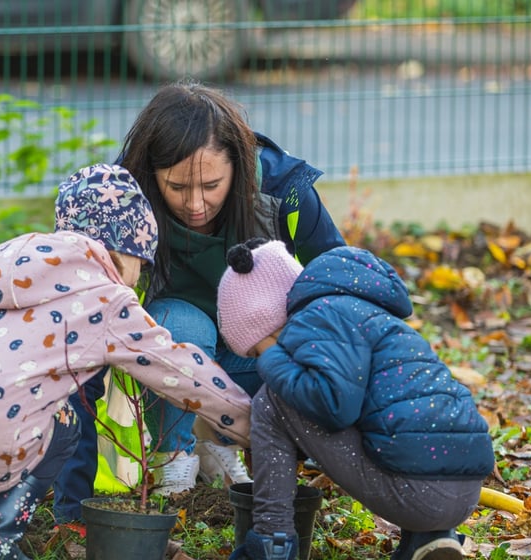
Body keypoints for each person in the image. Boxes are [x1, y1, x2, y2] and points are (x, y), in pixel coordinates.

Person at [0, 163, 251, 560]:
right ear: (125, 249)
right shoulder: (107, 297)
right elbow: (180, 372)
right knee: (63, 416)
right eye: (141, 265)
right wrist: (250, 422)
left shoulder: (3, 260)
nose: (137, 279)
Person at [52, 80, 346, 518]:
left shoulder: (284, 192)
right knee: (184, 323)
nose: (195, 204)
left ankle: (221, 448)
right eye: (176, 186)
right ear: (151, 174)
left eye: (211, 185)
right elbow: (80, 350)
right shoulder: (119, 208)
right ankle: (176, 460)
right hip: (167, 354)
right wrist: (71, 507)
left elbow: (342, 289)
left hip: (258, 354)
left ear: (239, 166)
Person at [217, 239, 496, 560]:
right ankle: (429, 541)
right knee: (391, 421)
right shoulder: (362, 314)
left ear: (269, 320)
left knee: (271, 400)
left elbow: (333, 406)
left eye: (255, 349)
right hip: (463, 492)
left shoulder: (316, 319)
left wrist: (271, 362)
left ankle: (271, 542)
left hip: (419, 495)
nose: (258, 359)